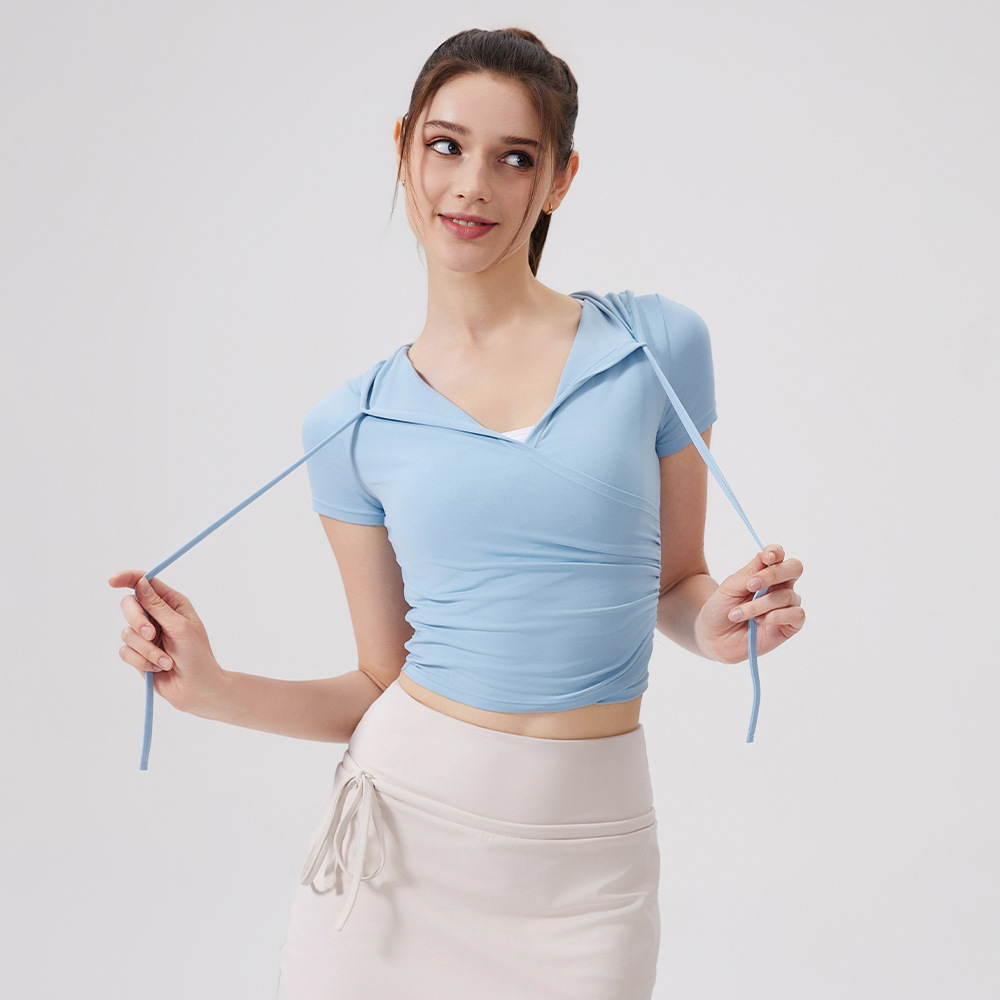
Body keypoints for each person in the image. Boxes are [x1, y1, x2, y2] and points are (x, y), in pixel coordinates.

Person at [109, 26, 804, 1000]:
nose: (472, 185)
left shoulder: (656, 347)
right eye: (446, 145)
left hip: (588, 875)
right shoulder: (350, 423)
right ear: (404, 149)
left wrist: (719, 622)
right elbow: (377, 681)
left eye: (513, 157)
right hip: (398, 855)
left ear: (558, 179)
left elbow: (675, 584)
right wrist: (211, 688)